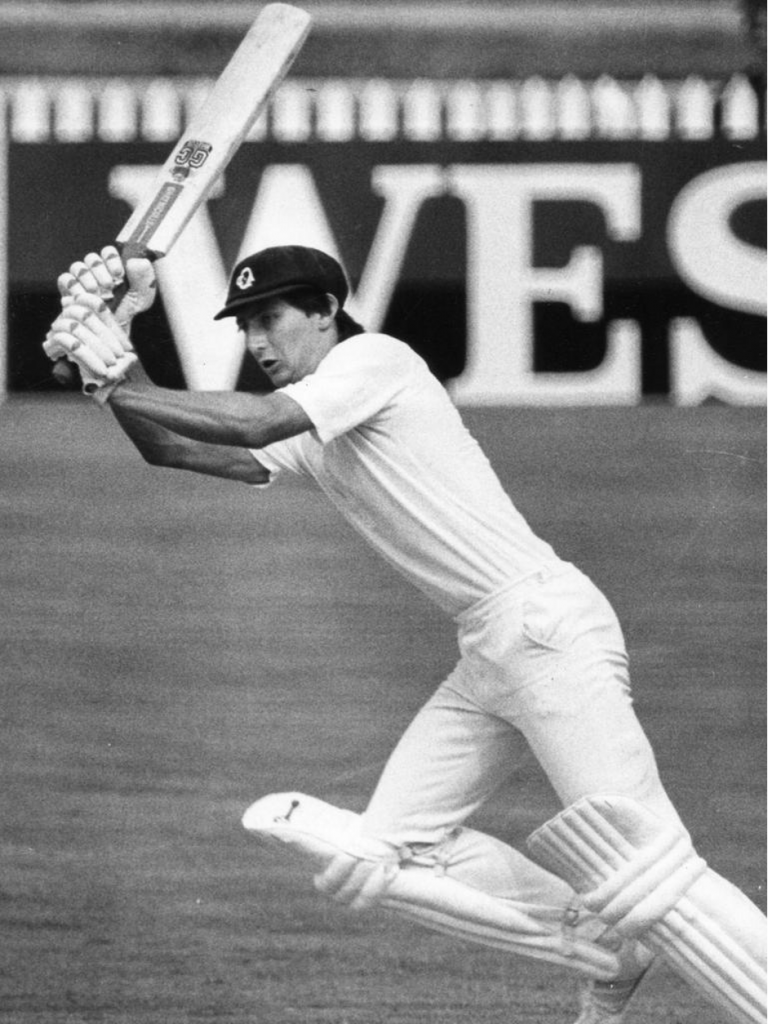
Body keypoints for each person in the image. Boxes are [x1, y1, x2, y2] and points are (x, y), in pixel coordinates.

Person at [45, 244, 768, 1024]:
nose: (257, 342)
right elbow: (174, 448)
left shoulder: (373, 362)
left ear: (326, 309)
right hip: (490, 648)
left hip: (544, 626)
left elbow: (258, 416)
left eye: (271, 319)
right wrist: (105, 367)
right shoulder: (320, 415)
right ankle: (603, 942)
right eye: (246, 324)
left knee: (649, 868)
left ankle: (640, 934)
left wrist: (120, 374)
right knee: (384, 855)